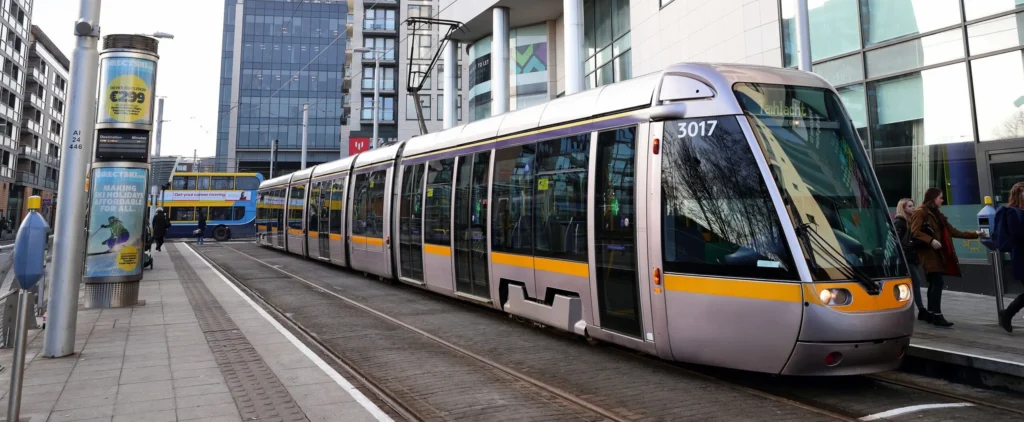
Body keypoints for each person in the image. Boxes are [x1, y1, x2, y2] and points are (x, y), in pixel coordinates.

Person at [910, 188, 983, 328]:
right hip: (928, 253)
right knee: (937, 282)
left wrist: (975, 234)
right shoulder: (921, 212)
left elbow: (953, 231)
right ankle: (937, 315)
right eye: (940, 198)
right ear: (932, 198)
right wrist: (931, 240)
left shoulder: (938, 214)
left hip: (938, 253)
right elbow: (915, 231)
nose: (942, 200)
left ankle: (932, 314)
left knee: (934, 283)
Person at [894, 198, 930, 322]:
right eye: (909, 206)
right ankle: (921, 310)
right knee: (916, 282)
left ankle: (908, 309)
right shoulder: (900, 222)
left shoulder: (911, 221)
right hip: (906, 259)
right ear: (903, 208)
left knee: (911, 284)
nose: (913, 208)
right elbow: (896, 242)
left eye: (913, 206)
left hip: (913, 258)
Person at [998, 182, 1024, 332]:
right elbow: (1016, 235)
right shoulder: (1012, 212)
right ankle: (1007, 314)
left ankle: (1007, 314)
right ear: (1018, 194)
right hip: (1021, 257)